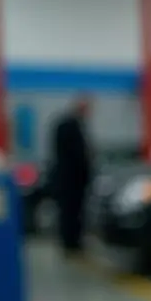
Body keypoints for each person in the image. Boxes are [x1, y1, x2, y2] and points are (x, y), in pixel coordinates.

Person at [50, 97, 94, 254]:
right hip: (71, 180)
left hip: (73, 180)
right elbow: (76, 155)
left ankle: (73, 240)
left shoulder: (71, 125)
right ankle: (70, 242)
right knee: (70, 211)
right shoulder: (70, 126)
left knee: (73, 211)